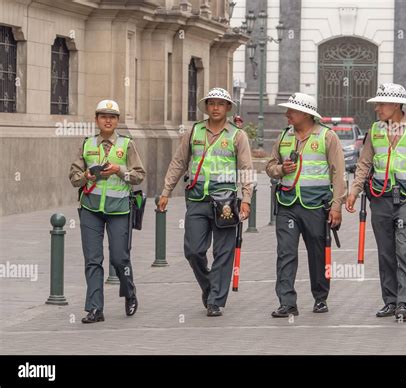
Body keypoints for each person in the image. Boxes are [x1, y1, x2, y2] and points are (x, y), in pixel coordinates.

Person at [345, 83, 406, 321]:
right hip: (380, 198)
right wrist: (354, 191)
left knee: (404, 248)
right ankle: (390, 301)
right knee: (386, 251)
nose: (377, 108)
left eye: (382, 103)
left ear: (396, 104)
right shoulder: (375, 130)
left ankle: (404, 303)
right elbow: (364, 163)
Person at [158, 88, 253, 317]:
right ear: (207, 107)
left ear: (228, 108)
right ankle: (209, 285)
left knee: (223, 251)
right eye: (212, 103)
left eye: (221, 104)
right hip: (198, 199)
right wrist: (166, 191)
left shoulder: (237, 135)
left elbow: (246, 169)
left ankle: (215, 301)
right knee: (193, 250)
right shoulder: (194, 132)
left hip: (226, 202)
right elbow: (179, 162)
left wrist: (246, 199)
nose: (216, 108)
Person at [266, 93, 346, 317]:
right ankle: (287, 302)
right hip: (287, 204)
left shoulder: (327, 137)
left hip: (316, 206)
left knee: (317, 253)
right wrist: (281, 170)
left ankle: (320, 298)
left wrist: (336, 206)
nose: (287, 114)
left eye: (291, 110)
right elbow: (271, 165)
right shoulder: (283, 137)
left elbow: (338, 173)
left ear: (306, 114)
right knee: (285, 253)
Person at [69, 99, 146, 323]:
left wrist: (120, 170)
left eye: (112, 117)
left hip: (119, 209)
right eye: (103, 116)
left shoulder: (127, 144)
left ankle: (130, 292)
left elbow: (139, 175)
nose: (108, 120)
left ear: (117, 121)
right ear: (96, 120)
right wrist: (86, 176)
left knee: (119, 258)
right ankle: (95, 309)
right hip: (90, 208)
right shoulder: (86, 144)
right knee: (93, 259)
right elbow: (74, 177)